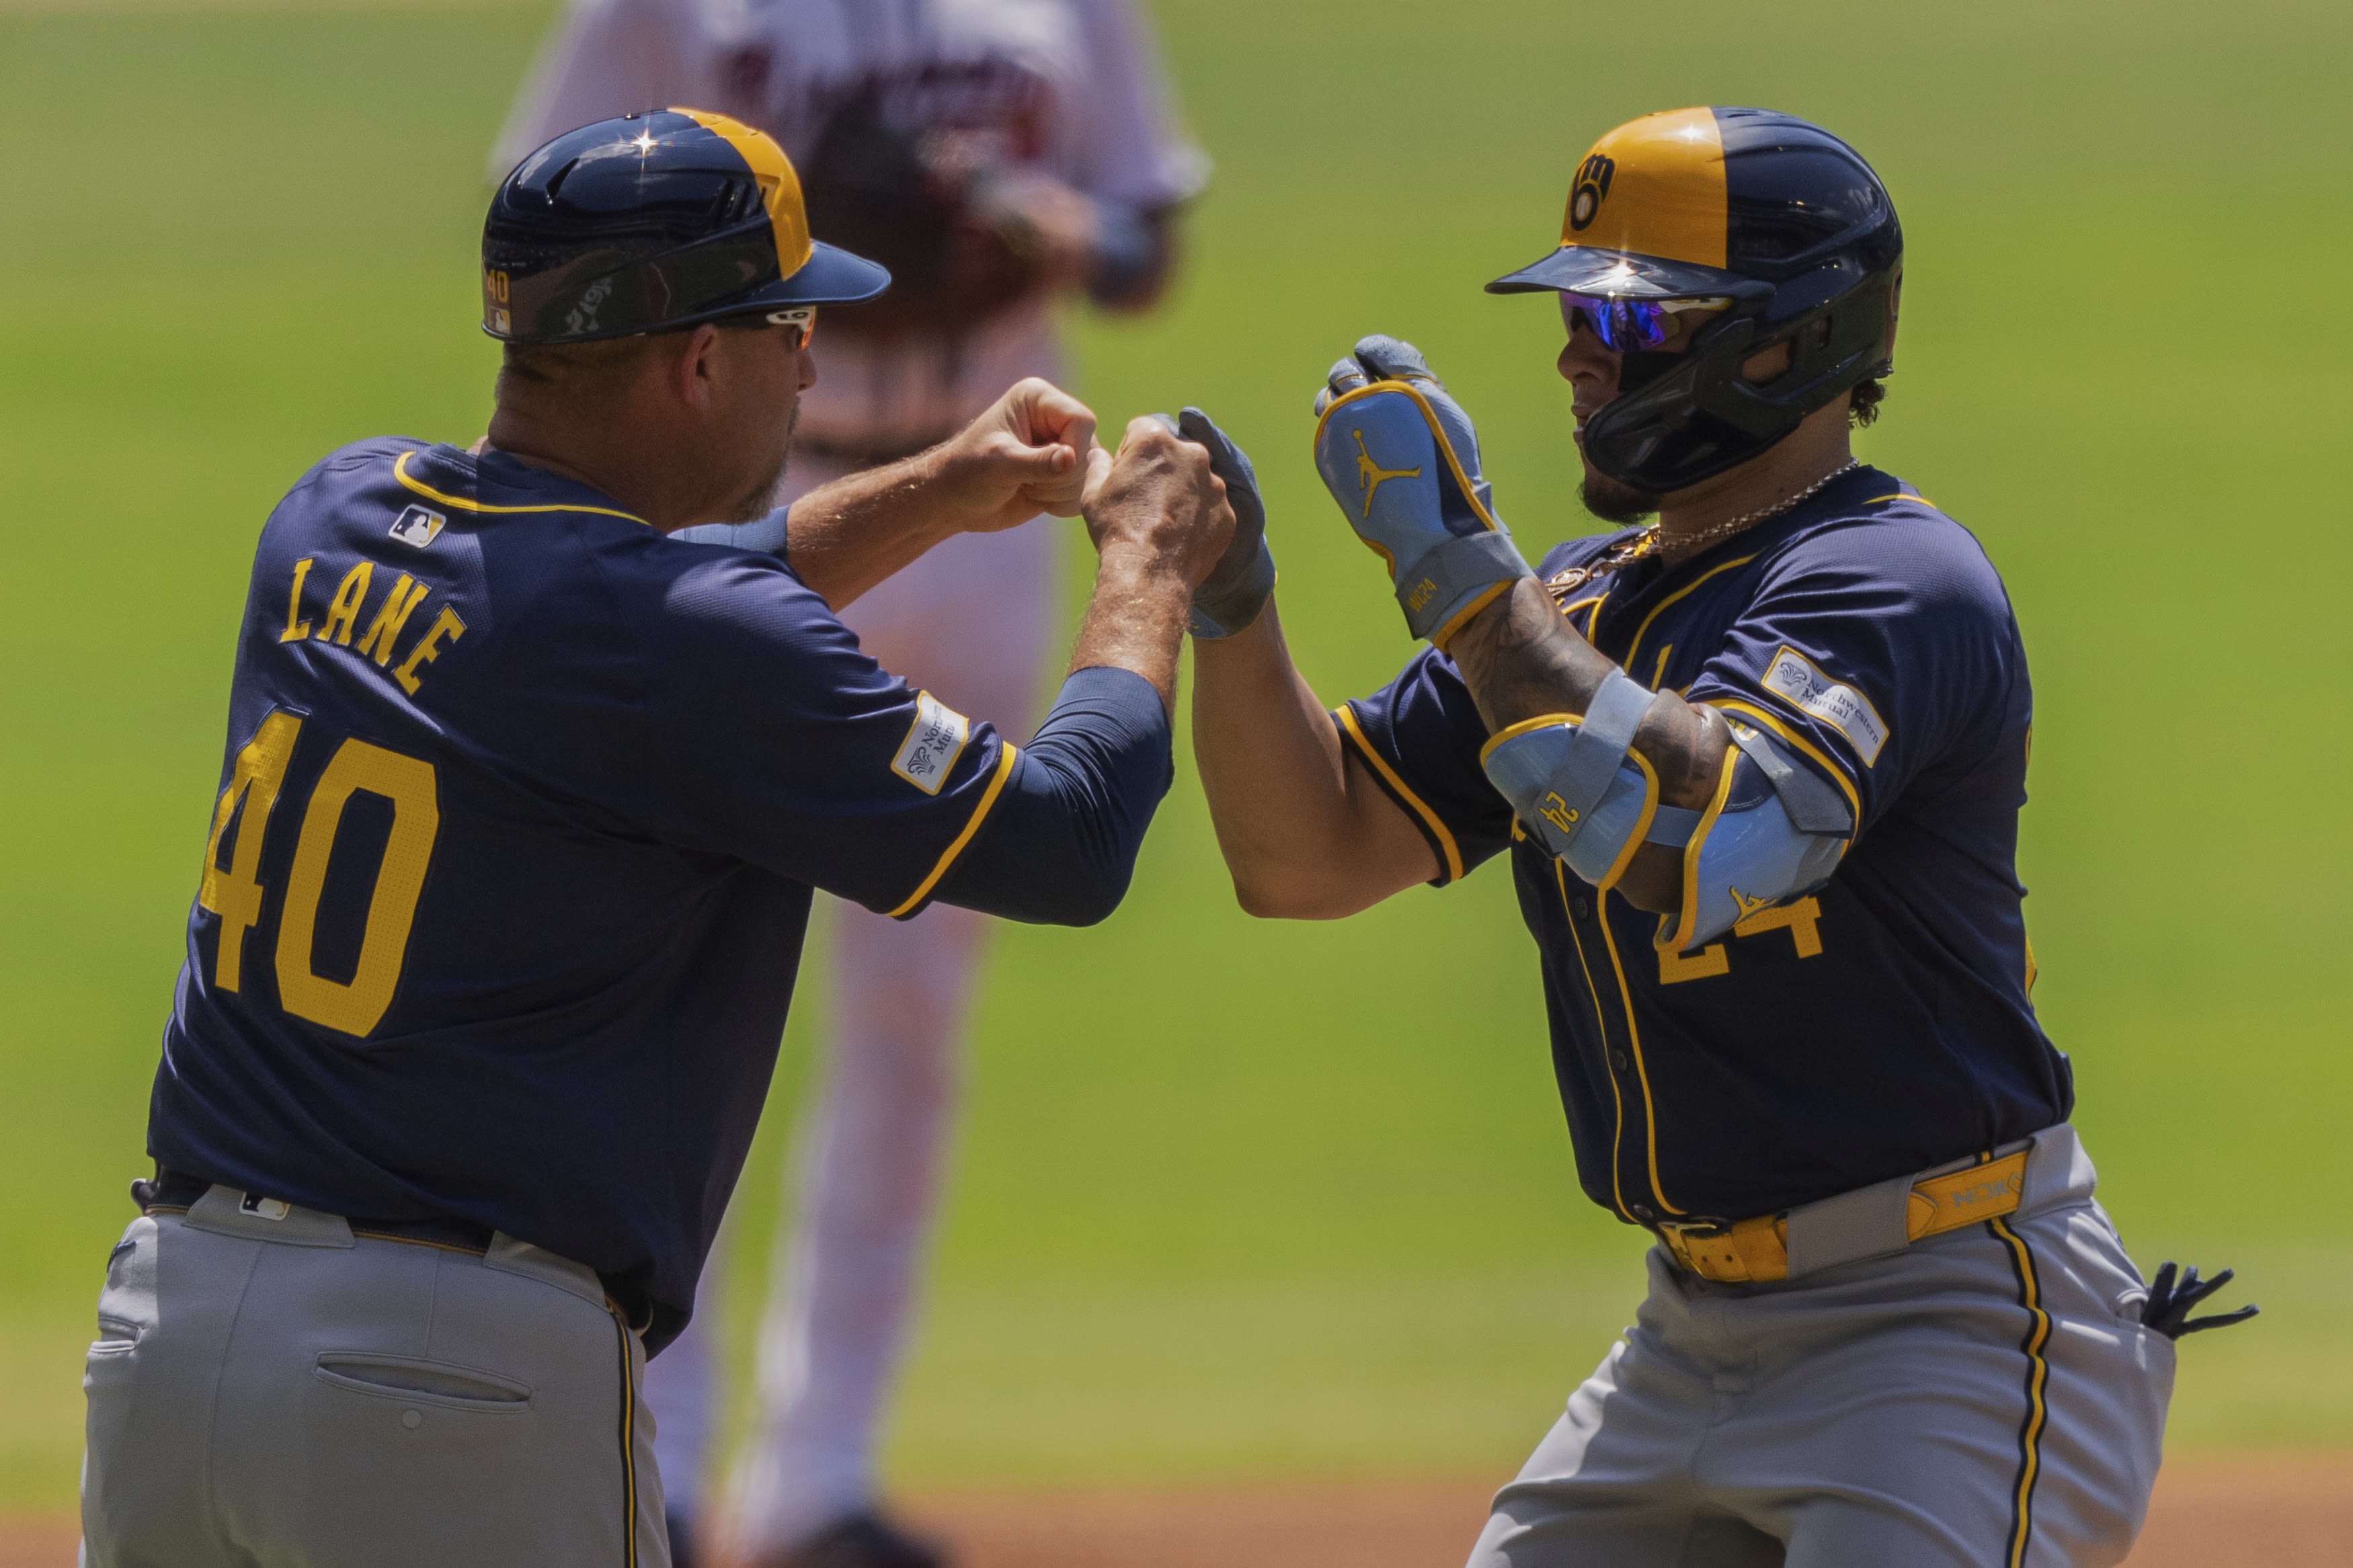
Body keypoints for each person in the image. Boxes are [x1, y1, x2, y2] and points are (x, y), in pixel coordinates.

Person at [79, 108, 1234, 1568]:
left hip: (170, 1347)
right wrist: (1143, 571)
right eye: (793, 327)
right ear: (700, 359)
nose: (815, 363)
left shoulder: (336, 511)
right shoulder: (683, 646)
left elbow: (625, 609)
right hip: (446, 1391)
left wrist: (938, 490)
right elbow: (1065, 842)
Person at [1185, 106, 2253, 1567]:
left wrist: (1461, 579)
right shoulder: (1576, 599)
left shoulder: (1889, 579)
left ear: (1787, 340)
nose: (1573, 357)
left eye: (1625, 320)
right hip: (1687, 1333)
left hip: (1936, 1322)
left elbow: (1718, 846)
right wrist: (1234, 604)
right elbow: (1305, 855)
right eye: (1574, 313)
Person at [490, 8, 1207, 1562]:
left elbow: (1146, 248)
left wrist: (1020, 213)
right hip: (719, 504)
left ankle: (819, 1474)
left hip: (988, 503)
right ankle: (656, 1464)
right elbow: (543, 224)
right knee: (666, 988)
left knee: (909, 1022)